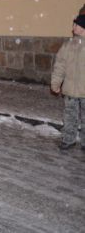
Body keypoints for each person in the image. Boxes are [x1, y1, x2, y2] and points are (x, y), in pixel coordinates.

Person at [51, 8, 85, 151]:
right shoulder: (68, 46)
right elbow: (60, 66)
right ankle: (68, 139)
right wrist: (56, 83)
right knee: (70, 117)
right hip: (70, 91)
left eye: (75, 25)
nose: (72, 28)